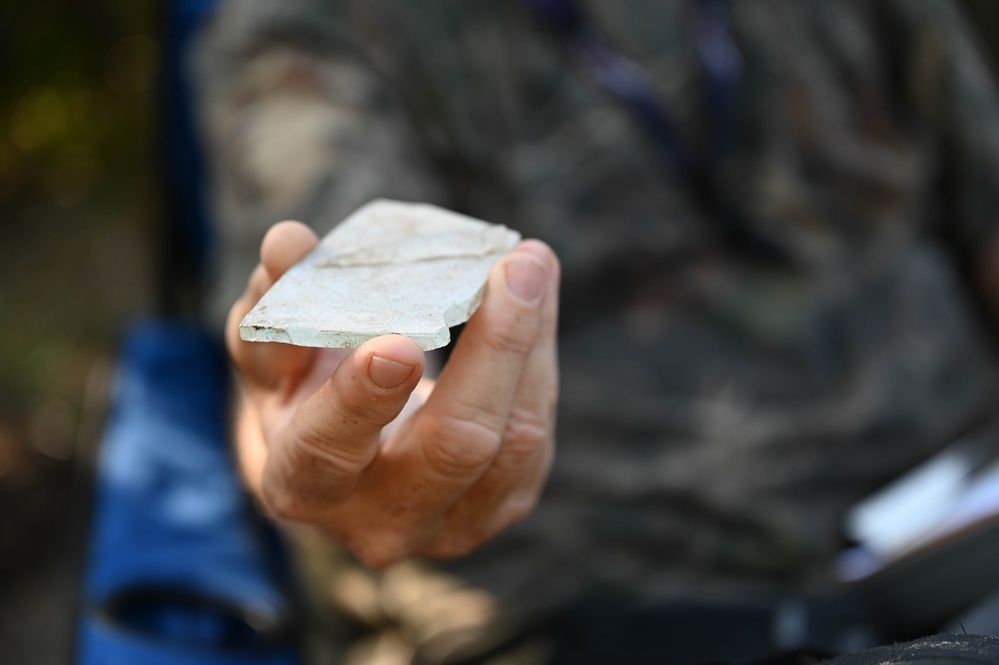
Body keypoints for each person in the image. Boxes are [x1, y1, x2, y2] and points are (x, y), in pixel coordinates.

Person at [193, 0, 999, 662]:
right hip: (626, 605)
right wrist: (339, 440)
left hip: (959, 516)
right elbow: (311, 356)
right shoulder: (317, 36)